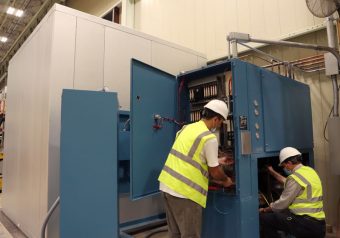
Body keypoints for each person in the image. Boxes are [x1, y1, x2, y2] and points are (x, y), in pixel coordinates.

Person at [158, 99, 234, 238]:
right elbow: (215, 172)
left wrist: (217, 160)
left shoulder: (186, 128)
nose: (219, 125)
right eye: (221, 122)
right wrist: (226, 180)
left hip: (166, 186)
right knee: (190, 235)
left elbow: (189, 155)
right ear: (216, 119)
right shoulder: (209, 138)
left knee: (174, 233)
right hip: (185, 193)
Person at [259, 147, 326, 238]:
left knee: (265, 219)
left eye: (284, 165)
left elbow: (282, 204)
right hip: (319, 225)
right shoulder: (310, 171)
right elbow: (287, 181)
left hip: (304, 224)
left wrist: (265, 210)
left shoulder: (295, 178)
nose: (285, 168)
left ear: (289, 163)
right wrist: (272, 172)